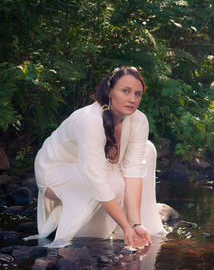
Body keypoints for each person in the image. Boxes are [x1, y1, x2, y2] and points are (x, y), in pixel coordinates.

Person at [24, 66, 167, 248]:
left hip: (96, 167)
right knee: (113, 181)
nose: (132, 99)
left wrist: (135, 224)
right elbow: (96, 179)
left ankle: (132, 226)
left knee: (148, 150)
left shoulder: (139, 120)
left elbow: (133, 173)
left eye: (138, 94)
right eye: (125, 91)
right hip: (55, 170)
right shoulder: (89, 120)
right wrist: (125, 226)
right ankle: (80, 227)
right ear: (109, 91)